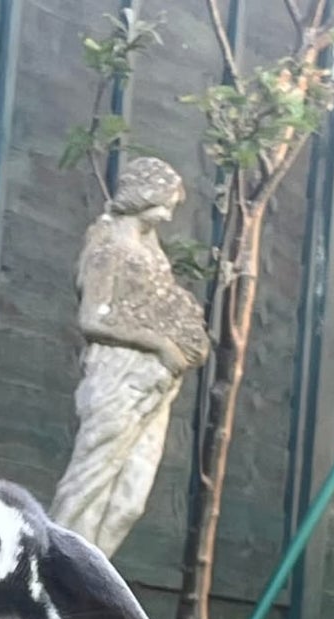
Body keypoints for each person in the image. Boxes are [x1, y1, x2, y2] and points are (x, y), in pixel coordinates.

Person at [51, 157, 210, 557]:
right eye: (167, 199)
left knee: (128, 503)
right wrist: (158, 344)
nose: (172, 210)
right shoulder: (108, 245)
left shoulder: (151, 249)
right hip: (116, 373)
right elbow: (91, 319)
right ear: (145, 193)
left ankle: (85, 591)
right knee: (87, 485)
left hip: (157, 379)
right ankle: (46, 580)